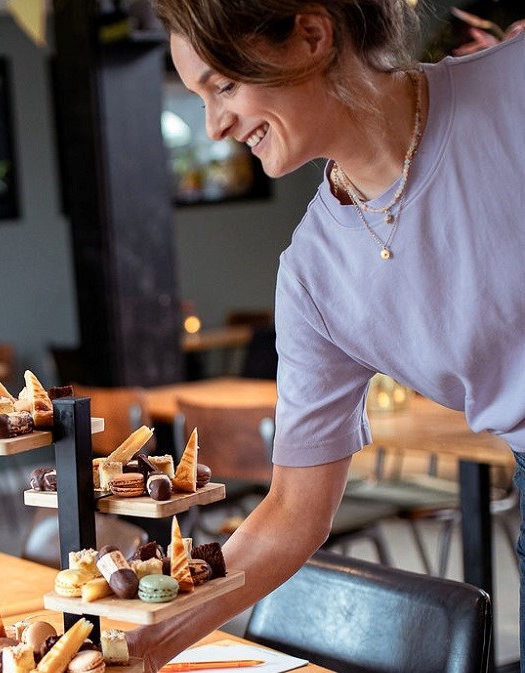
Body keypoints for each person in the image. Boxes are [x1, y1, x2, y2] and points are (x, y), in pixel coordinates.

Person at [126, 0, 525, 669]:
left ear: (311, 35)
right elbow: (292, 508)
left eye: (224, 86)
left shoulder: (512, 88)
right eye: (200, 98)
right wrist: (148, 639)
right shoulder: (313, 276)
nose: (215, 126)